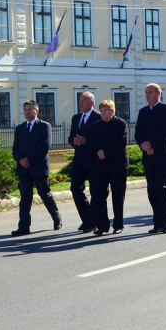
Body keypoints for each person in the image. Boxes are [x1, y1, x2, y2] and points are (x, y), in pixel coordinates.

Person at [11, 100, 62, 236]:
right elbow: (15, 149)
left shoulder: (44, 126)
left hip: (38, 167)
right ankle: (23, 227)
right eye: (26, 110)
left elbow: (44, 146)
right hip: (24, 169)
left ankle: (56, 218)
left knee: (45, 195)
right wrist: (21, 160)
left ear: (37, 111)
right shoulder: (20, 128)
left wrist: (29, 159)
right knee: (25, 198)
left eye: (30, 109)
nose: (28, 112)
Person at [134, 83, 166, 234]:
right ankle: (157, 222)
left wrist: (151, 144)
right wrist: (143, 145)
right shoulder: (143, 111)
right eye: (146, 92)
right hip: (148, 156)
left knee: (161, 187)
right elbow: (138, 132)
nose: (147, 95)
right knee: (152, 190)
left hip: (164, 155)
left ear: (158, 93)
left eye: (150, 92)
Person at [88, 100, 129, 235]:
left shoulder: (120, 124)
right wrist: (97, 151)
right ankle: (102, 225)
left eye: (106, 110)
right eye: (102, 111)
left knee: (117, 196)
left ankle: (118, 224)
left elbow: (121, 142)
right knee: (99, 195)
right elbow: (92, 142)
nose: (103, 113)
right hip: (101, 166)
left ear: (113, 111)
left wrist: (105, 152)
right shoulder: (96, 125)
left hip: (117, 165)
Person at [67, 92, 100, 233]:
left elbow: (100, 139)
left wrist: (85, 141)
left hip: (93, 161)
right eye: (80, 100)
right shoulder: (76, 118)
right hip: (79, 160)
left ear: (92, 103)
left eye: (84, 101)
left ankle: (93, 221)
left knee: (95, 192)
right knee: (75, 189)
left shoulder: (98, 117)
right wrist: (74, 142)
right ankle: (87, 218)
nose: (81, 103)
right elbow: (71, 136)